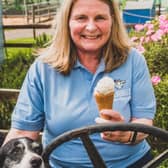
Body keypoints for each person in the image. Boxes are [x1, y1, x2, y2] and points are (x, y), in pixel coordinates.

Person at [4, 0, 156, 167]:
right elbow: (22, 132)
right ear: (67, 21)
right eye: (81, 18)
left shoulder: (133, 61)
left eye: (100, 18)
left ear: (112, 20)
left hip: (133, 163)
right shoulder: (43, 69)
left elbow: (144, 121)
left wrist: (127, 134)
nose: (91, 27)